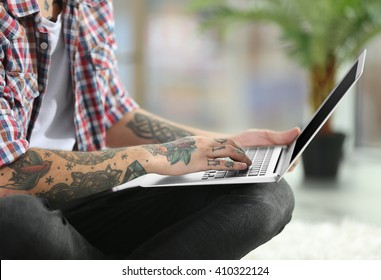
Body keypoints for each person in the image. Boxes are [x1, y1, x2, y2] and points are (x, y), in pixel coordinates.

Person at [0, 0, 300, 259]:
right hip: (19, 206)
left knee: (266, 195)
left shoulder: (90, 5)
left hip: (85, 202)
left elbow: (112, 112)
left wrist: (223, 144)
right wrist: (157, 157)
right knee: (15, 217)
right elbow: (8, 174)